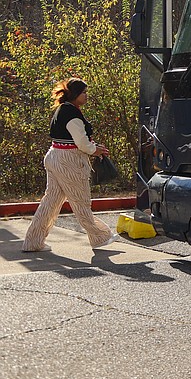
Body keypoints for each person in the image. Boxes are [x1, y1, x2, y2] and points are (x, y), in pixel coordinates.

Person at [21, 77, 119, 252]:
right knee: (81, 202)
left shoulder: (62, 110)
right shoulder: (72, 114)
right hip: (69, 161)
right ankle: (100, 237)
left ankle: (33, 242)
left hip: (54, 156)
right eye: (84, 93)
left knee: (50, 203)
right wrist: (94, 150)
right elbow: (81, 142)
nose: (86, 96)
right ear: (75, 95)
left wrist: (92, 148)